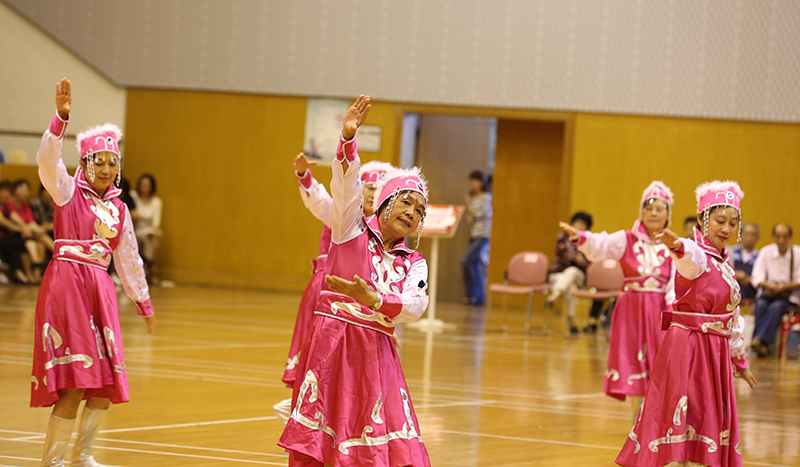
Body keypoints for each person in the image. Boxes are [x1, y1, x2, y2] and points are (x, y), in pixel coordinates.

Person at [278, 95, 431, 466]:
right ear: (385, 202)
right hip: (334, 345)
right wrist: (347, 139)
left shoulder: (414, 261)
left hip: (377, 352)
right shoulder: (349, 229)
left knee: (379, 445)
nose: (411, 213)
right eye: (406, 202)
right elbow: (344, 186)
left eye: (419, 210)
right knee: (321, 441)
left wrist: (376, 299)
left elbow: (416, 305)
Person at [31, 78, 156, 467]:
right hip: (67, 286)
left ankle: (83, 455)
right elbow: (47, 160)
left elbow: (129, 255)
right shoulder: (66, 191)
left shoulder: (119, 209)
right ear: (84, 163)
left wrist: (142, 299)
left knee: (103, 384)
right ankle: (53, 461)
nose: (105, 168)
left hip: (100, 289)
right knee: (75, 383)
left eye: (112, 162)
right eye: (97, 161)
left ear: (119, 167)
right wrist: (61, 120)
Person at [617, 180, 757, 467]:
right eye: (719, 220)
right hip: (689, 348)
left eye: (732, 223)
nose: (726, 229)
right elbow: (688, 256)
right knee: (685, 411)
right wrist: (676, 244)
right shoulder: (700, 257)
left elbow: (731, 320)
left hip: (714, 352)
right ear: (703, 220)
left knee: (706, 415)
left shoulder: (726, 266)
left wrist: (739, 362)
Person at [271, 153, 394, 424]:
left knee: (351, 374)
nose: (374, 193)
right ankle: (302, 416)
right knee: (319, 363)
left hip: (361, 307)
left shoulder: (388, 232)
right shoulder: (342, 214)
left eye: (380, 189)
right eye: (369, 187)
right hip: (328, 295)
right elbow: (318, 200)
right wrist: (305, 176)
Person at [561, 181, 675, 411]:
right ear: (641, 212)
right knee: (634, 361)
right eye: (648, 207)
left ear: (668, 214)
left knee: (662, 365)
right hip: (631, 310)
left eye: (659, 208)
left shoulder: (673, 246)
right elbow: (601, 244)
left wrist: (673, 311)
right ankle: (637, 419)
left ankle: (656, 419)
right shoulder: (626, 239)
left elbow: (677, 281)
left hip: (661, 312)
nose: (653, 212)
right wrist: (581, 236)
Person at [749, 223, 800, 357]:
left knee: (777, 306)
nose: (781, 240)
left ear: (790, 237)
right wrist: (768, 284)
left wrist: (785, 286)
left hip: (789, 297)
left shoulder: (798, 253)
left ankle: (759, 341)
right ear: (773, 237)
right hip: (768, 293)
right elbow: (756, 277)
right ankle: (762, 345)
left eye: (785, 236)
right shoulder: (766, 252)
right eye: (778, 236)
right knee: (760, 305)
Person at [547, 211, 593, 333]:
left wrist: (573, 259)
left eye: (582, 224)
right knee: (569, 286)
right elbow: (560, 253)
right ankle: (572, 321)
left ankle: (556, 294)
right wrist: (576, 258)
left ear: (587, 227)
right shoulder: (563, 237)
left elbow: (587, 261)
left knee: (572, 271)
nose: (579, 226)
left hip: (578, 275)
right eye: (577, 223)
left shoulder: (588, 241)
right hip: (558, 274)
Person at [5, 179, 53, 280]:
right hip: (14, 233)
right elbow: (13, 217)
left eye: (26, 190)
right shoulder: (9, 202)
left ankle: (36, 274)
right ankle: (57, 252)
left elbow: (32, 222)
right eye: (22, 189)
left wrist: (38, 229)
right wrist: (27, 228)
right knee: (36, 238)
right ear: (14, 190)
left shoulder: (26, 205)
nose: (24, 192)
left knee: (40, 242)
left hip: (28, 233)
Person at [462, 170, 492, 306]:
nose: (472, 184)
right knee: (473, 264)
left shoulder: (486, 197)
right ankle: (475, 298)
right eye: (470, 181)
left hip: (483, 235)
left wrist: (467, 203)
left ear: (481, 182)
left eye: (474, 181)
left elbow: (476, 215)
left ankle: (476, 296)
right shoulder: (474, 197)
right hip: (473, 234)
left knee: (466, 261)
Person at [131, 173, 162, 282]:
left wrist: (152, 230)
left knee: (154, 236)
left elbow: (156, 222)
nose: (145, 187)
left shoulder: (156, 202)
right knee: (142, 237)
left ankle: (148, 261)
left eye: (147, 185)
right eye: (143, 184)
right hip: (135, 229)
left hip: (149, 231)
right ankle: (149, 264)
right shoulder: (133, 196)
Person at [0, 180, 32, 283]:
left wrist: (24, 227)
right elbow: (3, 222)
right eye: (3, 191)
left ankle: (28, 273)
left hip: (5, 236)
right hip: (2, 238)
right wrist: (21, 229)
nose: (6, 194)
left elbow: (13, 216)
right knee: (7, 244)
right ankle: (17, 272)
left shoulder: (6, 205)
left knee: (20, 242)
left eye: (8, 192)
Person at [730, 223, 760, 300]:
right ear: (740, 235)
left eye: (752, 235)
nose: (749, 238)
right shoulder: (731, 252)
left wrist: (751, 279)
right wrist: (736, 274)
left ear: (757, 237)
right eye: (746, 234)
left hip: (751, 289)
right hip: (732, 286)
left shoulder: (760, 256)